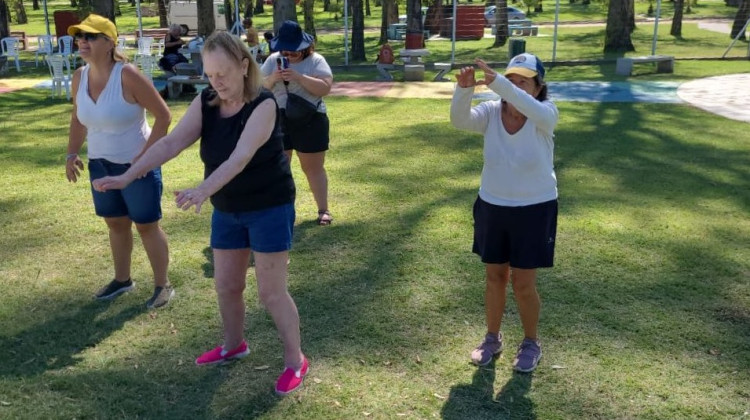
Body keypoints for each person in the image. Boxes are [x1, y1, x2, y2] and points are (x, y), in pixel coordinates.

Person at [92, 31, 308, 395]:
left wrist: (203, 190)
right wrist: (130, 174)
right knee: (227, 284)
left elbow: (239, 158)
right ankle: (234, 345)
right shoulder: (207, 101)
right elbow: (174, 142)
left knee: (272, 293)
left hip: (268, 206)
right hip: (228, 208)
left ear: (243, 66)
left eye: (222, 72)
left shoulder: (264, 104)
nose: (216, 82)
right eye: (209, 74)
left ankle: (295, 360)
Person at [450, 54, 559, 373]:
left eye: (523, 81)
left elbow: (525, 104)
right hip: (493, 206)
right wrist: (464, 89)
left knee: (523, 284)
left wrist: (498, 82)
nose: (515, 87)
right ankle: (492, 337)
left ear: (539, 88)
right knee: (495, 277)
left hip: (535, 209)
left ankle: (530, 342)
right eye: (511, 80)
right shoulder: (490, 112)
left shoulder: (545, 115)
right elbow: (459, 120)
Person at [65, 14, 174, 309]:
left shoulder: (127, 75)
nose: (82, 41)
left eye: (89, 36)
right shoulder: (79, 77)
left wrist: (145, 156)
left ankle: (163, 284)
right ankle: (122, 279)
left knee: (146, 224)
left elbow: (164, 116)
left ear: (109, 42)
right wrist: (71, 153)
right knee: (115, 223)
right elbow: (78, 118)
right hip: (100, 164)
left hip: (136, 166)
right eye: (80, 36)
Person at [261, 20, 334, 225]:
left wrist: (299, 77)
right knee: (280, 167)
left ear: (304, 48)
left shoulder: (316, 61)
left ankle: (323, 210)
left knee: (313, 168)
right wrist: (273, 78)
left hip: (311, 119)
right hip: (279, 118)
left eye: (294, 52)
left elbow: (325, 88)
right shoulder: (272, 60)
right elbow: (260, 88)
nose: (289, 56)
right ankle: (281, 210)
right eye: (285, 52)